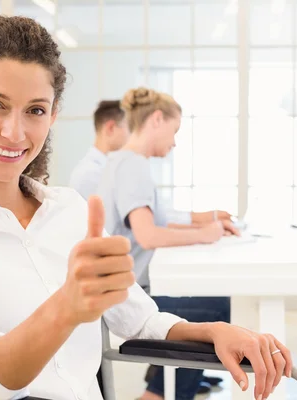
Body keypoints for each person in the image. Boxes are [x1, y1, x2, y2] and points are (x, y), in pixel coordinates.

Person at [0, 16, 291, 400]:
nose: (15, 131)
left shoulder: (70, 210)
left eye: (36, 110)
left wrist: (216, 331)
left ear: (54, 114)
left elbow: (140, 322)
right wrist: (67, 306)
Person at [95, 87, 243, 400]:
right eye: (174, 131)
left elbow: (157, 220)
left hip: (123, 284)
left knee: (208, 301)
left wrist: (205, 223)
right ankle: (158, 394)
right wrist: (204, 235)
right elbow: (148, 234)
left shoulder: (122, 161)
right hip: (130, 293)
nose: (174, 142)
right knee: (212, 305)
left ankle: (162, 384)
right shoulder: (133, 165)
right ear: (157, 119)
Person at [69, 99, 233, 226]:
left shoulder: (119, 165)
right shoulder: (90, 174)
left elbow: (152, 214)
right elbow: (146, 222)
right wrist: (201, 222)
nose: (136, 135)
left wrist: (201, 220)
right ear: (111, 128)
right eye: (131, 128)